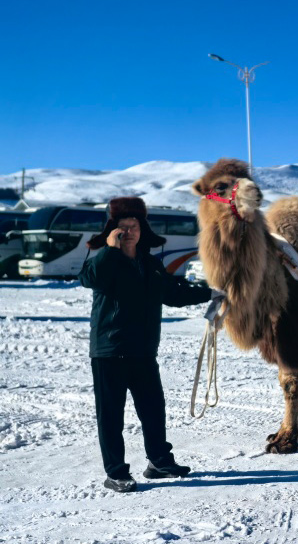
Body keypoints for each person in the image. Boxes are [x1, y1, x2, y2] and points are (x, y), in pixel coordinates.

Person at [79, 197, 214, 493]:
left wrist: (211, 293)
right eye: (122, 227)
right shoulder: (103, 259)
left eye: (134, 226)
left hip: (142, 351)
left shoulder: (150, 264)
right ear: (113, 231)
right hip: (109, 351)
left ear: (142, 230)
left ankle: (159, 462)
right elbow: (90, 279)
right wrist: (111, 250)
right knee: (111, 416)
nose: (129, 231)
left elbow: (173, 294)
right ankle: (116, 473)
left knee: (153, 409)